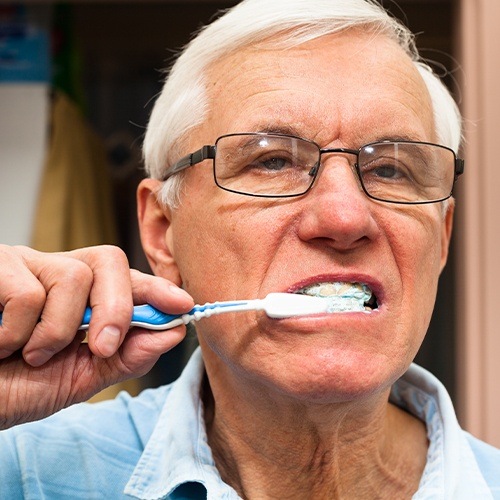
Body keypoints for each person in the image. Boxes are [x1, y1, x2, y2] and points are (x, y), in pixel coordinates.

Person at [0, 0, 499, 498]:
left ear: (442, 238)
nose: (345, 218)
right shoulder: (25, 471)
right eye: (274, 161)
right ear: (161, 231)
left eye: (391, 170)